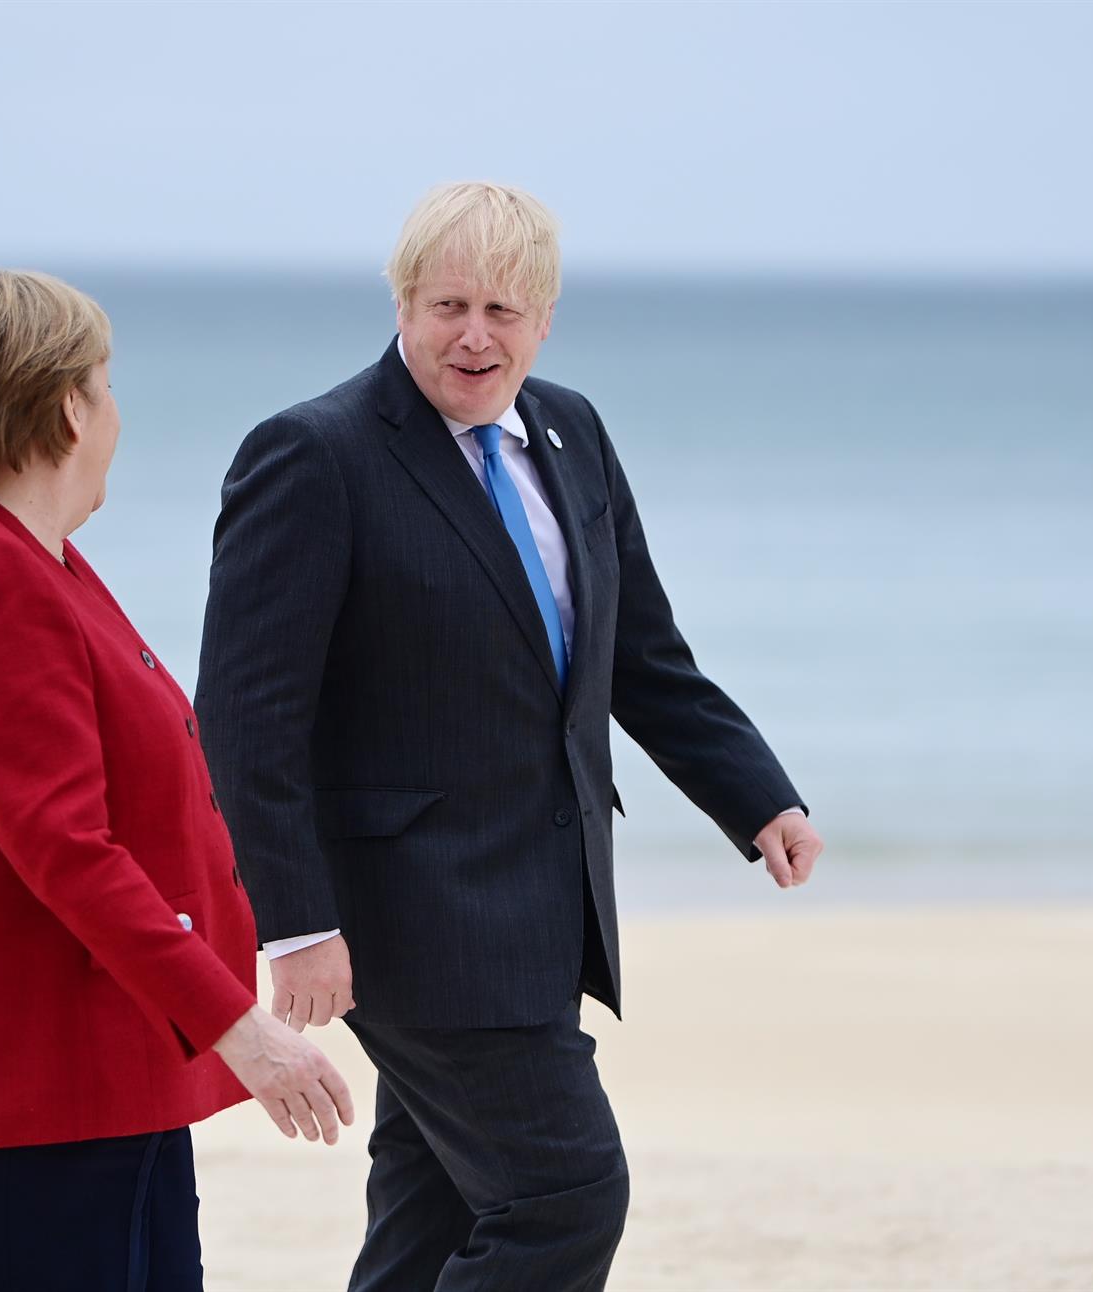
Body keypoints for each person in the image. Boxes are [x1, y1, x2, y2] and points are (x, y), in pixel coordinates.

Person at [194, 183, 823, 1290]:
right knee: (566, 1193)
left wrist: (754, 792)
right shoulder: (314, 453)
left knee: (430, 1220)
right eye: (447, 304)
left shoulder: (573, 432)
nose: (475, 335)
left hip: (546, 902)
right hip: (412, 922)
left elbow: (640, 655)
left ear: (545, 318)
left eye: (502, 307)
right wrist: (295, 923)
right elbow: (250, 714)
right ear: (400, 303)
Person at [0, 269, 352, 1292]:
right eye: (107, 384)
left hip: (98, 1076)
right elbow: (64, 849)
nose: (118, 410)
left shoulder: (30, 552)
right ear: (67, 405)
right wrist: (237, 1025)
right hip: (26, 1088)